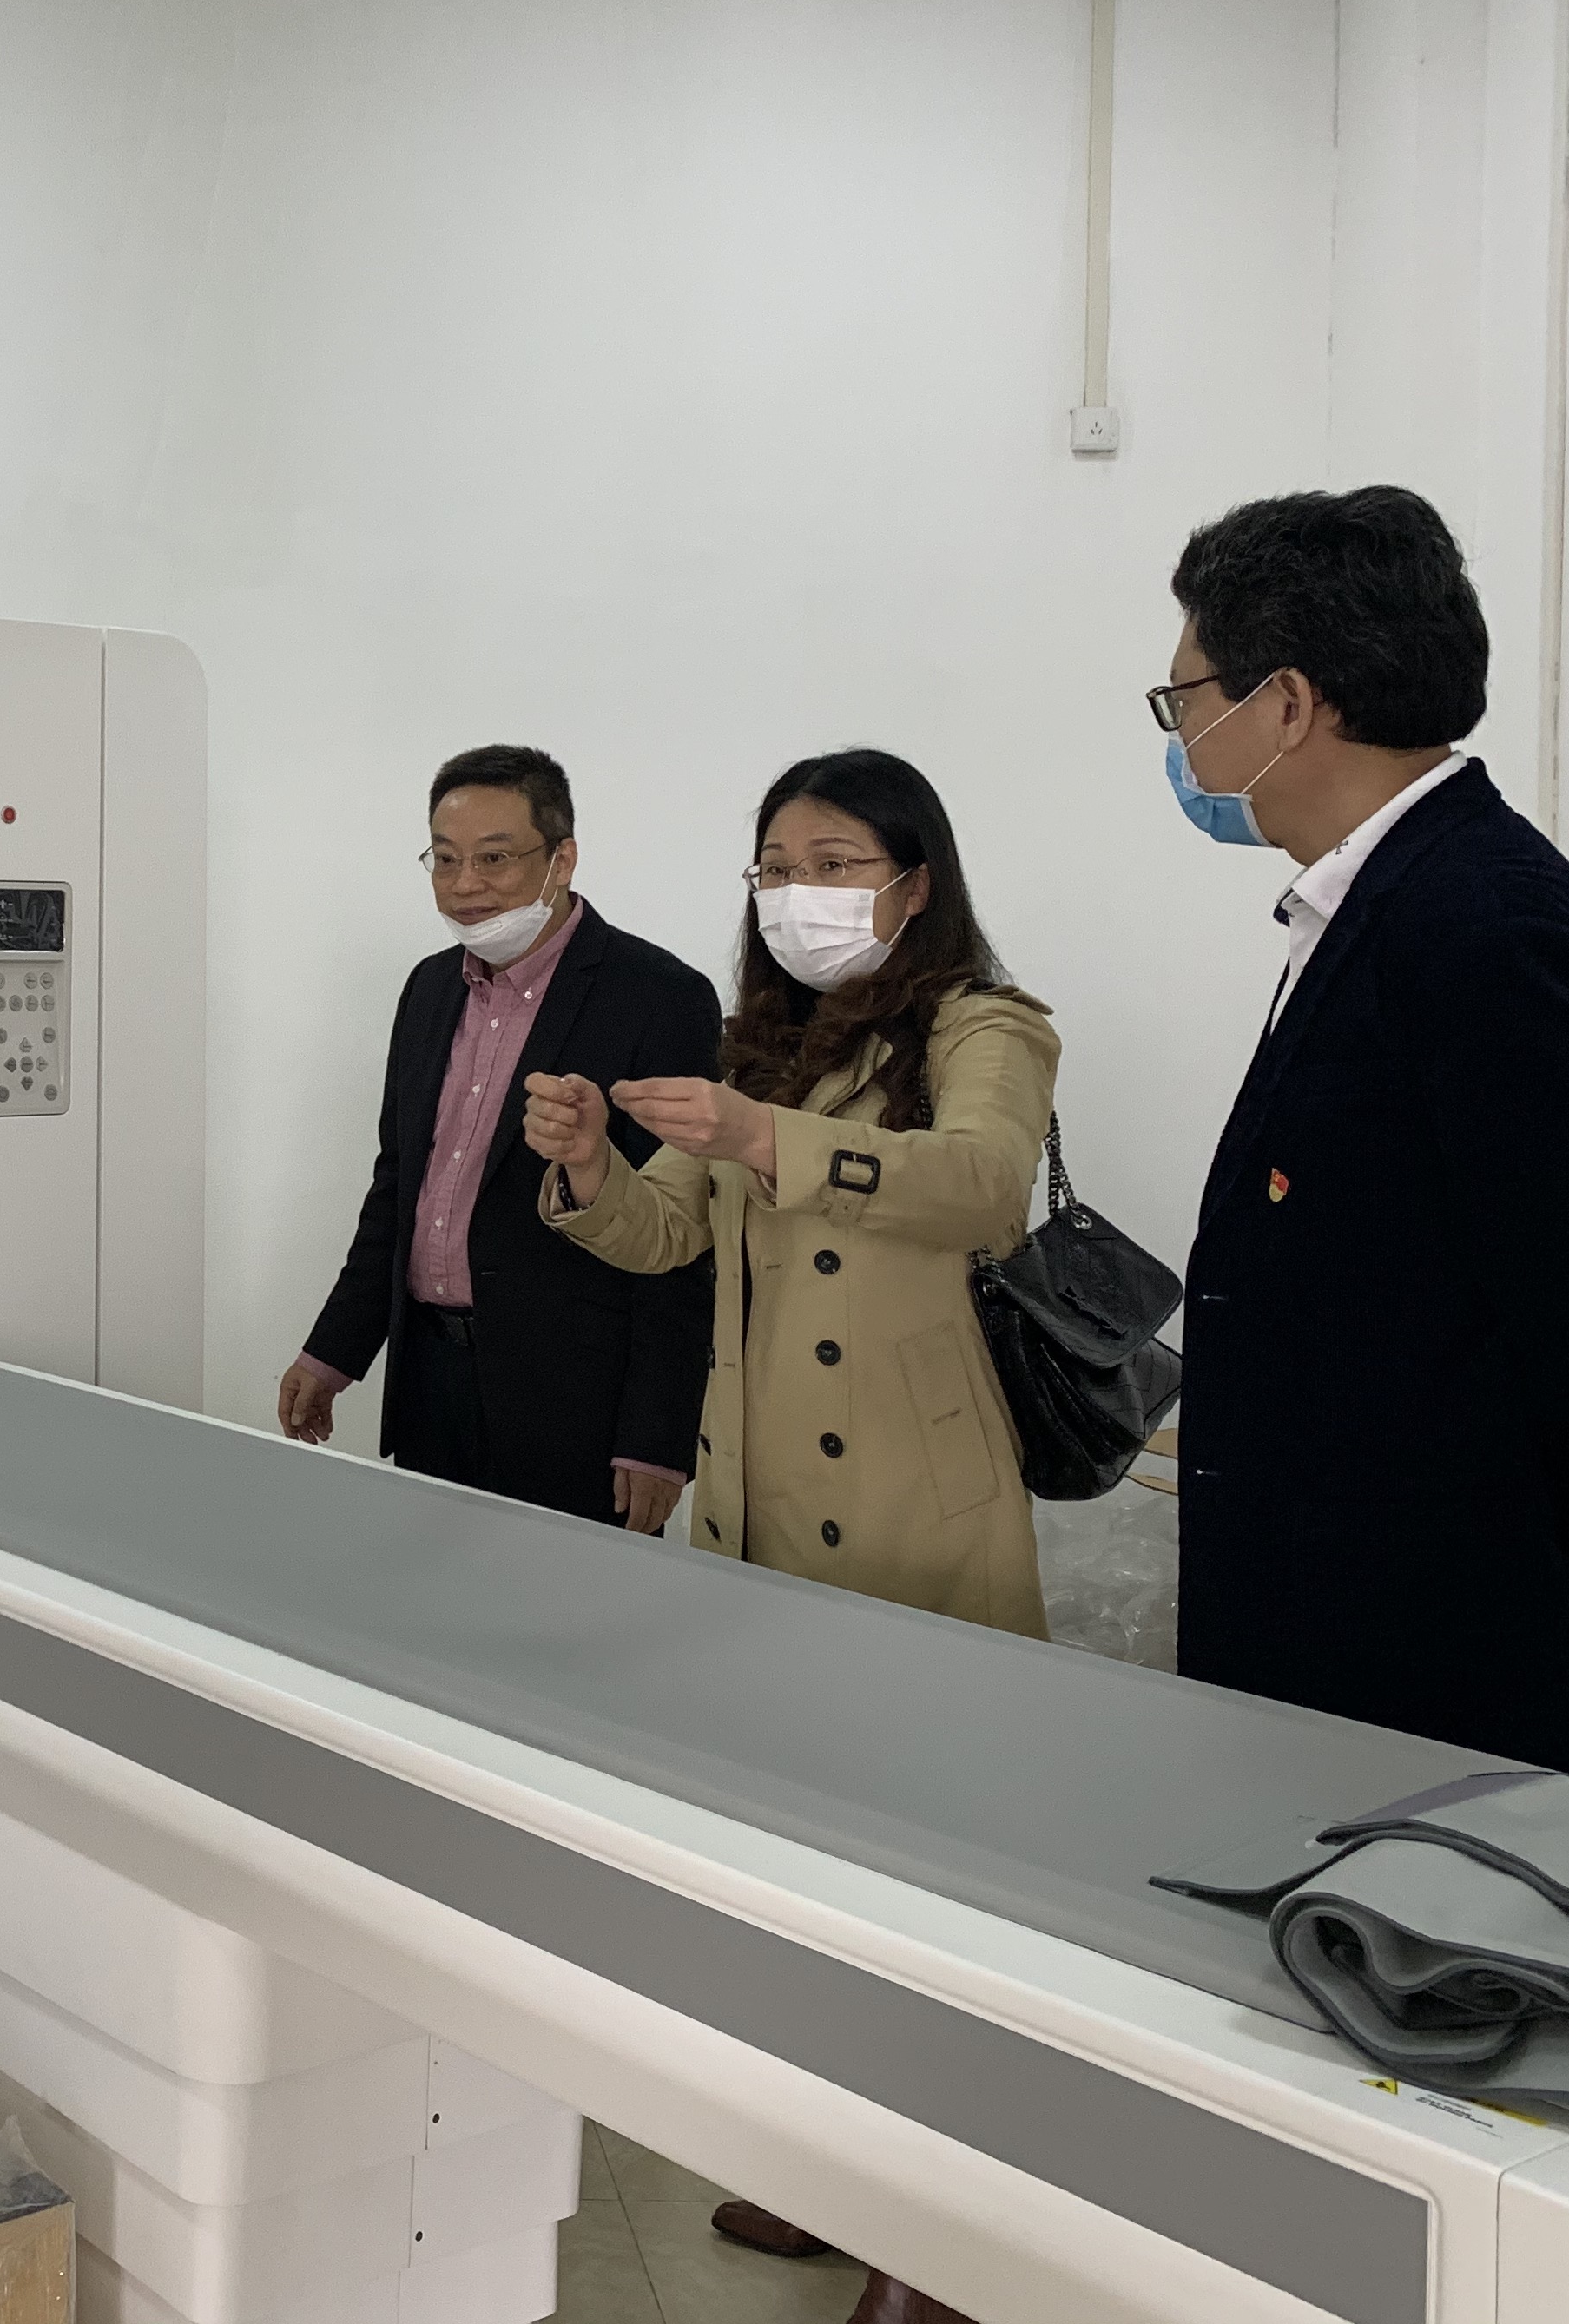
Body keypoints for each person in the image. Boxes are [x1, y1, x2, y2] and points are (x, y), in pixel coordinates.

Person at [521, 747, 1051, 2323]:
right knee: (801, 1886)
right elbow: (665, 1233)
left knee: (932, 1903)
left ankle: (939, 2246)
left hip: (907, 1508)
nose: (795, 895)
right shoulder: (760, 1043)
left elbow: (986, 1186)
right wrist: (587, 1163)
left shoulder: (983, 1025)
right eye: (773, 867)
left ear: (913, 881)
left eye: (831, 864)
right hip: (757, 1505)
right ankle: (831, 2174)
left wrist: (766, 1141)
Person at [1155, 485, 1569, 1784]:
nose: (1181, 735)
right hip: (1335, 1608)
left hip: (1418, 1648)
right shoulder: (1384, 899)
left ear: (1288, 703)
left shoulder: (1484, 927)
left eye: (1185, 698)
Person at [280, 746, 718, 1527]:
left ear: (562, 859)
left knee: (568, 1603)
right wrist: (333, 1352)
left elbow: (683, 1237)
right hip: (429, 1378)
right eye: (444, 859)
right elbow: (399, 1189)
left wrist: (657, 1436)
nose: (464, 885)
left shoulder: (660, 997)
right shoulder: (428, 989)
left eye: (494, 858)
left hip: (577, 1403)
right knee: (427, 1591)